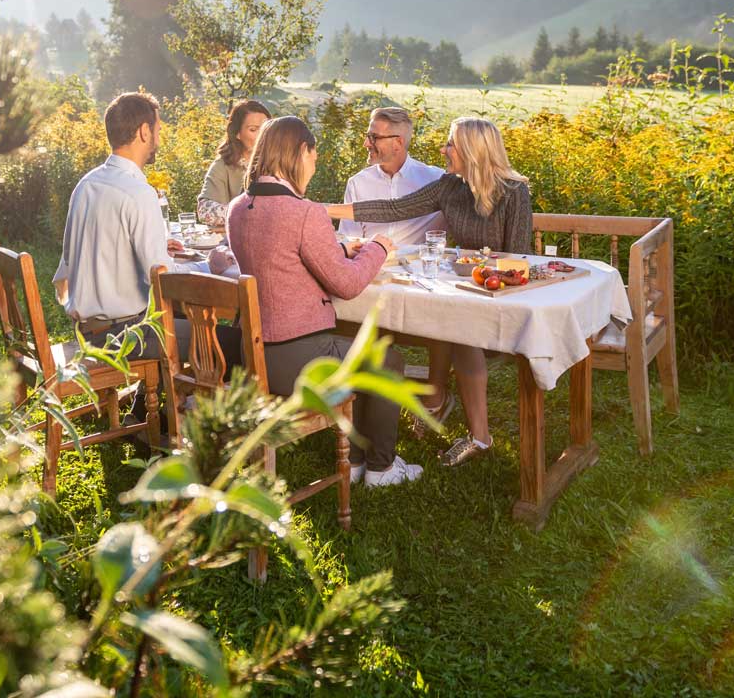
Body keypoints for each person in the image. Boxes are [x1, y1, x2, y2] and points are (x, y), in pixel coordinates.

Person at [227, 116, 423, 487]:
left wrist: (339, 248)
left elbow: (278, 256)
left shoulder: (238, 207)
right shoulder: (305, 212)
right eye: (313, 157)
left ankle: (360, 459)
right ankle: (382, 468)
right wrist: (378, 248)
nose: (313, 166)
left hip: (253, 354)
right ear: (302, 152)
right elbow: (347, 284)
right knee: (387, 361)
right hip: (298, 360)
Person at [326, 116, 532, 467]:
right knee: (448, 319)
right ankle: (455, 417)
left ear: (472, 150)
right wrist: (319, 211)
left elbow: (519, 257)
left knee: (459, 326)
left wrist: (487, 275)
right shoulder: (449, 185)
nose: (443, 150)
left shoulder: (514, 191)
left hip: (498, 295)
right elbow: (393, 209)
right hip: (461, 288)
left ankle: (474, 432)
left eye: (450, 144)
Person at [53, 91, 238, 368]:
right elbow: (164, 279)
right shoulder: (138, 191)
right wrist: (210, 267)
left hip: (88, 329)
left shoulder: (86, 184)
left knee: (184, 322)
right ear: (143, 131)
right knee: (234, 344)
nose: (158, 140)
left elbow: (68, 269)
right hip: (125, 335)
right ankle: (193, 408)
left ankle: (149, 405)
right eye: (158, 130)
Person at [338, 106, 445, 248]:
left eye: (374, 137)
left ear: (398, 143)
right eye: (367, 136)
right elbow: (349, 239)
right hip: (370, 266)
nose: (366, 144)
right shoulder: (357, 183)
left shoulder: (436, 180)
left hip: (419, 268)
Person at [197, 99, 270, 226]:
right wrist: (246, 213)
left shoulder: (278, 164)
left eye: (265, 129)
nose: (262, 136)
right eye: (253, 130)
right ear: (237, 133)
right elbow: (204, 210)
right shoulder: (222, 165)